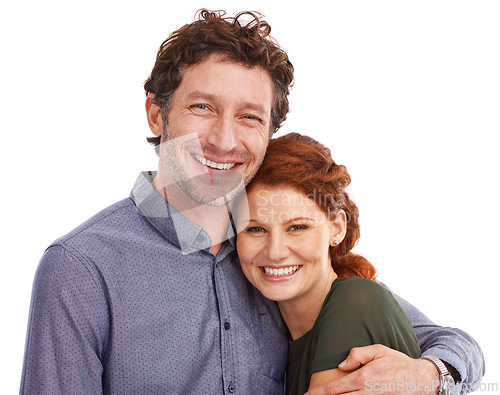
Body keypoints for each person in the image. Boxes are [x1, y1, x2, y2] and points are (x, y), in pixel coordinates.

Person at [20, 9, 484, 395]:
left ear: (268, 132)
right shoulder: (81, 269)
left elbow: (457, 346)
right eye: (202, 107)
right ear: (157, 114)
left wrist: (428, 375)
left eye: (249, 117)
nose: (224, 140)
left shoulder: (277, 258)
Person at [235, 132, 421, 394]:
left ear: (336, 228)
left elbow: (455, 344)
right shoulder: (270, 330)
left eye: (297, 227)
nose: (275, 252)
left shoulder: (354, 302)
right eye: (255, 230)